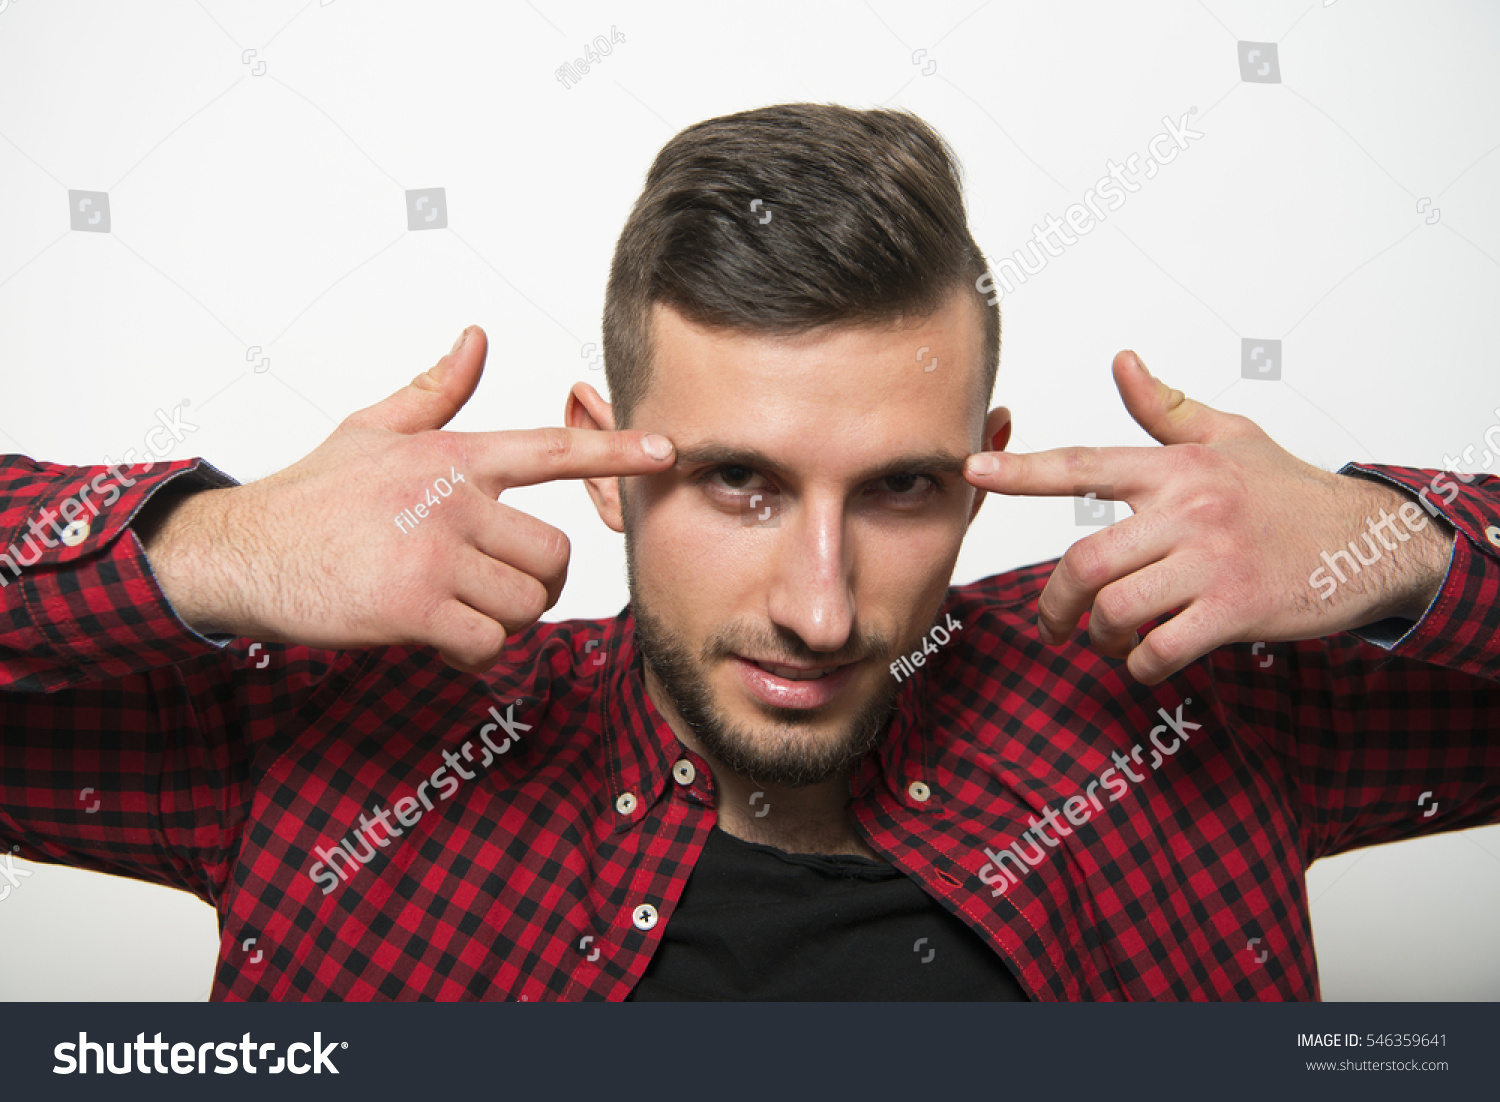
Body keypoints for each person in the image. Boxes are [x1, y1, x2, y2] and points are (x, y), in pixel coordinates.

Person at [2, 103, 1497, 1001]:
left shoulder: (1189, 702)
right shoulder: (335, 737)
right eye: (738, 481)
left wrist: (1406, 547)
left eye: (903, 485)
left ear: (984, 468)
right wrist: (203, 547)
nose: (821, 606)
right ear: (603, 455)